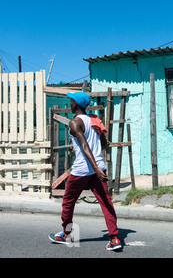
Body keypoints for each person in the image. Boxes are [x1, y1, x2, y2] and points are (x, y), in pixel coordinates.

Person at [49, 91, 121, 251]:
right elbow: (103, 143)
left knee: (68, 202)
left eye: (71, 100)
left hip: (82, 170)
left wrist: (93, 167)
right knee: (106, 202)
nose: (70, 102)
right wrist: (97, 167)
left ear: (76, 104)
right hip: (98, 168)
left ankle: (66, 234)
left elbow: (84, 146)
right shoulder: (94, 120)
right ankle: (114, 238)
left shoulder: (74, 123)